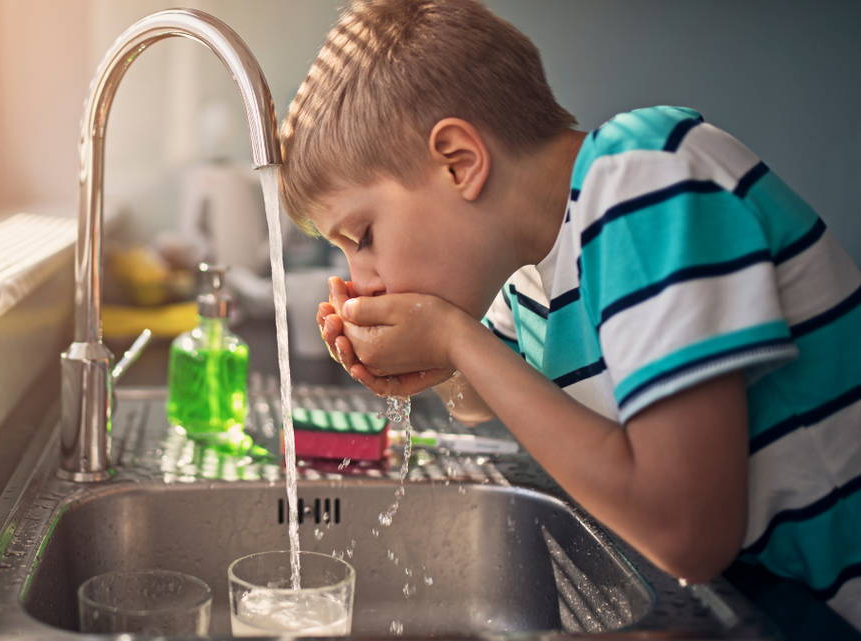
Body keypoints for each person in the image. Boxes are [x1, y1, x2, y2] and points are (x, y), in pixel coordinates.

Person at [277, 0, 861, 634]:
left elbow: (688, 533)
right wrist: (429, 359)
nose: (361, 281)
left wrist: (453, 338)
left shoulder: (643, 179)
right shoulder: (534, 259)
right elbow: (483, 396)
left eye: (361, 235)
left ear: (459, 162)